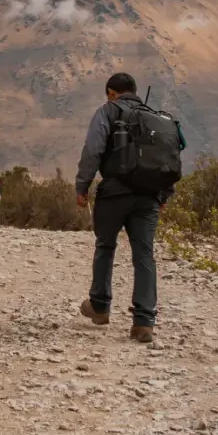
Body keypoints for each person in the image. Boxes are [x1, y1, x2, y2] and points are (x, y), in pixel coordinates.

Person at [75, 73, 184, 343]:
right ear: (134, 91)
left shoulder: (108, 111)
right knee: (144, 255)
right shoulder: (157, 118)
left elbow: (93, 150)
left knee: (105, 246)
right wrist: (164, 194)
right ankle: (144, 322)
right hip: (149, 197)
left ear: (112, 93)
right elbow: (169, 157)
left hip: (114, 193)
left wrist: (82, 186)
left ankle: (100, 306)